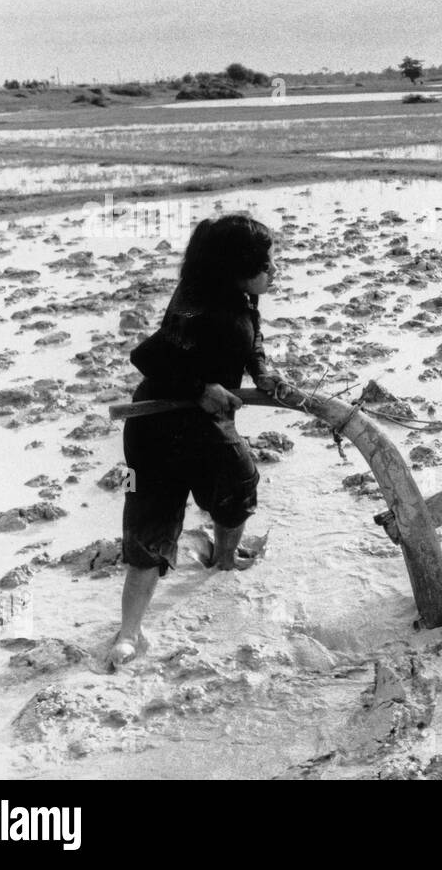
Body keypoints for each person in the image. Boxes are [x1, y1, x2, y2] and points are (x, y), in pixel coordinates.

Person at [110, 214, 284, 668]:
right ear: (235, 264)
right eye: (267, 262)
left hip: (210, 427)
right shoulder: (194, 304)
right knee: (148, 521)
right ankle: (129, 633)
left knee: (240, 483)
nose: (274, 270)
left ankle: (224, 559)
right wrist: (200, 389)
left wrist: (262, 372)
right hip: (155, 430)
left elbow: (253, 341)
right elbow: (146, 355)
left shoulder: (243, 298)